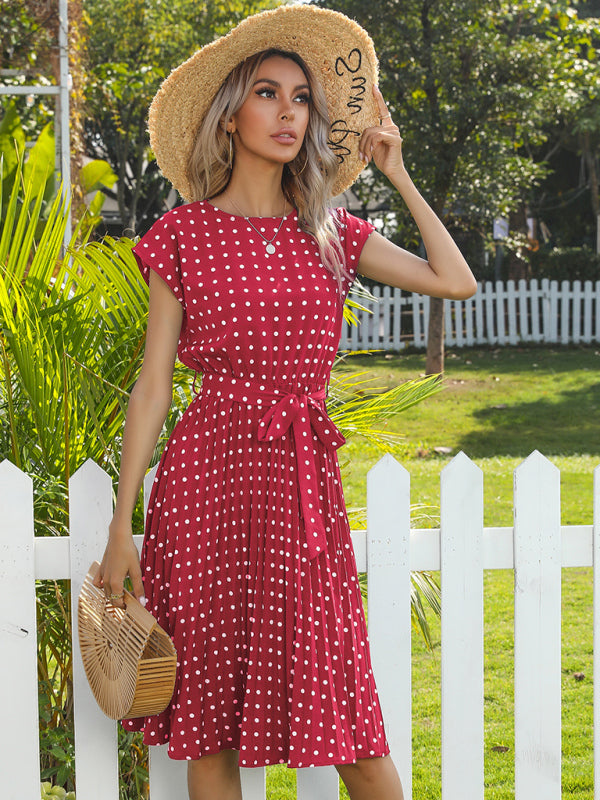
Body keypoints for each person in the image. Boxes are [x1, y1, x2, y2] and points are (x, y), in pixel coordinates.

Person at [94, 5, 476, 800]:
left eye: (301, 99)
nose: (288, 113)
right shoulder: (184, 234)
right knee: (211, 731)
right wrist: (122, 522)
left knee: (349, 720)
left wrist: (398, 172)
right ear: (230, 114)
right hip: (206, 482)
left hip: (300, 486)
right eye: (267, 94)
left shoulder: (332, 232)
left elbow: (455, 280)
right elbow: (153, 386)